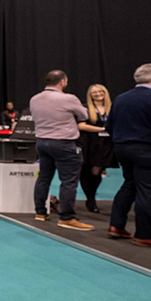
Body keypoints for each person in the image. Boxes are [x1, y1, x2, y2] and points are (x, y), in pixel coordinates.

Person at [105, 63, 151, 248]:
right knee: (148, 192)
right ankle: (145, 235)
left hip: (122, 149)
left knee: (129, 185)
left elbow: (109, 126)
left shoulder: (121, 98)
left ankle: (116, 225)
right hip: (149, 151)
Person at [29, 70, 94, 231]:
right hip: (64, 143)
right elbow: (84, 115)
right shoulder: (69, 98)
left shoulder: (35, 98)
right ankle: (67, 217)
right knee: (69, 181)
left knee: (43, 178)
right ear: (62, 82)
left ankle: (40, 212)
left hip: (42, 142)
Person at [79, 84, 115, 213]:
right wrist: (102, 129)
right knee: (85, 171)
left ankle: (91, 197)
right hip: (89, 143)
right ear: (90, 95)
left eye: (100, 91)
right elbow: (81, 125)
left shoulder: (112, 107)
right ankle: (91, 199)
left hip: (106, 145)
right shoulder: (85, 108)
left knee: (96, 173)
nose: (98, 94)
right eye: (94, 92)